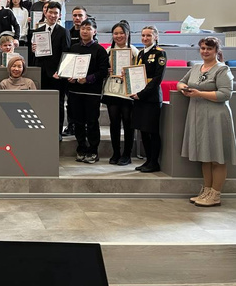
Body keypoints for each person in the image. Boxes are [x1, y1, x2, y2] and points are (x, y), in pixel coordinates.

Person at [178, 37, 236, 207]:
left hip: (216, 116)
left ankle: (215, 194)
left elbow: (225, 94)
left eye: (209, 49)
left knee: (217, 158)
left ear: (216, 51)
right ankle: (206, 190)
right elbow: (181, 82)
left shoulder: (222, 69)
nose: (205, 51)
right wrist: (183, 89)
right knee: (205, 156)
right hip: (198, 116)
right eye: (203, 48)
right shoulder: (196, 67)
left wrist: (199, 94)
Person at [63, 18, 109, 164]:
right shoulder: (74, 48)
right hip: (75, 92)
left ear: (94, 31)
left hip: (91, 93)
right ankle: (81, 148)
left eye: (88, 29)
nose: (85, 31)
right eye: (83, 28)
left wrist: (88, 79)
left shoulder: (100, 50)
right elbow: (68, 67)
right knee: (78, 122)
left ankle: (93, 150)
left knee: (92, 122)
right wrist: (69, 77)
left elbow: (103, 71)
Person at [32, 2, 71, 139]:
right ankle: (43, 130)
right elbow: (34, 56)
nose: (53, 15)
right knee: (41, 103)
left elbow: (66, 54)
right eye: (51, 12)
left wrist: (60, 72)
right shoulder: (37, 31)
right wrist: (34, 50)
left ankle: (57, 131)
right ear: (45, 12)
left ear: (59, 15)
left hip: (56, 75)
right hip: (41, 73)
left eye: (56, 13)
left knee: (58, 104)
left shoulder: (64, 32)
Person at [102, 21, 139, 166]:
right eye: (115, 33)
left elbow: (139, 71)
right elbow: (102, 69)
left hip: (127, 92)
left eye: (121, 33)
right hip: (112, 90)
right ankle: (116, 153)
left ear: (127, 34)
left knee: (128, 123)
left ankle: (127, 154)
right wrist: (107, 71)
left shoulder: (134, 51)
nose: (118, 36)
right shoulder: (108, 51)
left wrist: (130, 72)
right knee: (114, 123)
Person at [131, 25, 167, 173]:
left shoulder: (160, 53)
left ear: (155, 37)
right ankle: (147, 160)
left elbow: (157, 78)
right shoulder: (141, 53)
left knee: (152, 131)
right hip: (139, 97)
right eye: (143, 35)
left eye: (148, 35)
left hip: (151, 97)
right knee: (143, 131)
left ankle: (154, 162)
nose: (145, 38)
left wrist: (142, 93)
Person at [62, 6, 88, 136]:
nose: (77, 18)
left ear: (85, 17)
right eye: (75, 15)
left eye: (80, 15)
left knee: (85, 104)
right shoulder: (67, 33)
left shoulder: (90, 34)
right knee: (71, 103)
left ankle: (85, 127)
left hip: (85, 76)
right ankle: (71, 126)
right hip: (70, 75)